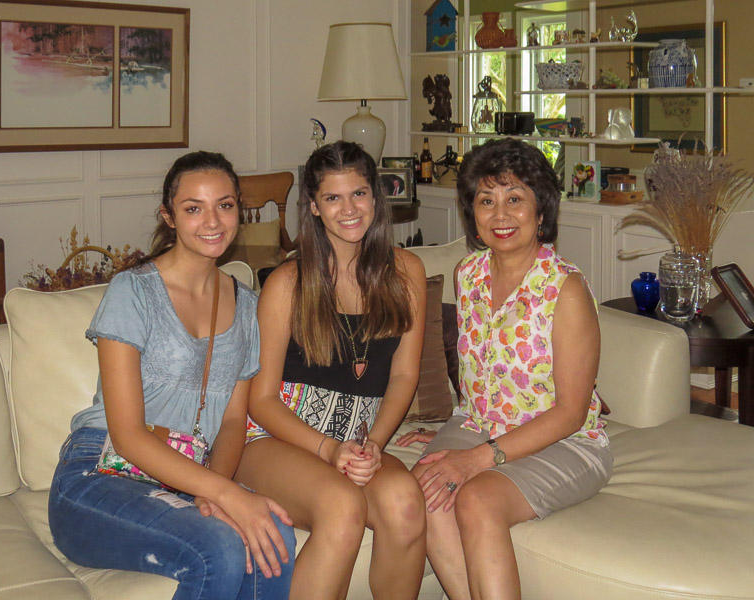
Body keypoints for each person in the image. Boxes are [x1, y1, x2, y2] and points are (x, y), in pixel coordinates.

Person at [48, 151, 296, 600]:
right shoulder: (134, 292)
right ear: (170, 216)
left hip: (184, 472)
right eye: (193, 208)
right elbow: (126, 435)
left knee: (273, 536)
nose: (212, 221)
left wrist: (213, 493)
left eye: (225, 204)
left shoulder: (245, 307)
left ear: (240, 208)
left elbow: (234, 421)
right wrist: (227, 493)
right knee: (220, 548)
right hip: (99, 473)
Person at [397, 138, 613, 600]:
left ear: (541, 212)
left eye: (515, 199)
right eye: (486, 200)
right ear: (471, 211)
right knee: (425, 490)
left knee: (475, 499)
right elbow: (479, 371)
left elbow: (572, 414)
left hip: (566, 442)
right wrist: (447, 432)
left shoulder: (565, 290)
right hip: (476, 424)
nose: (500, 215)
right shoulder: (468, 273)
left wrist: (475, 458)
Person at [236, 140, 428, 599]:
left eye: (359, 194)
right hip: (279, 436)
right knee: (342, 505)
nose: (349, 209)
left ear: (376, 197)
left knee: (405, 504)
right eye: (333, 198)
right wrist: (328, 450)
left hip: (358, 438)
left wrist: (373, 444)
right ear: (315, 207)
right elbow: (259, 399)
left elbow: (403, 376)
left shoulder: (407, 272)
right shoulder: (287, 283)